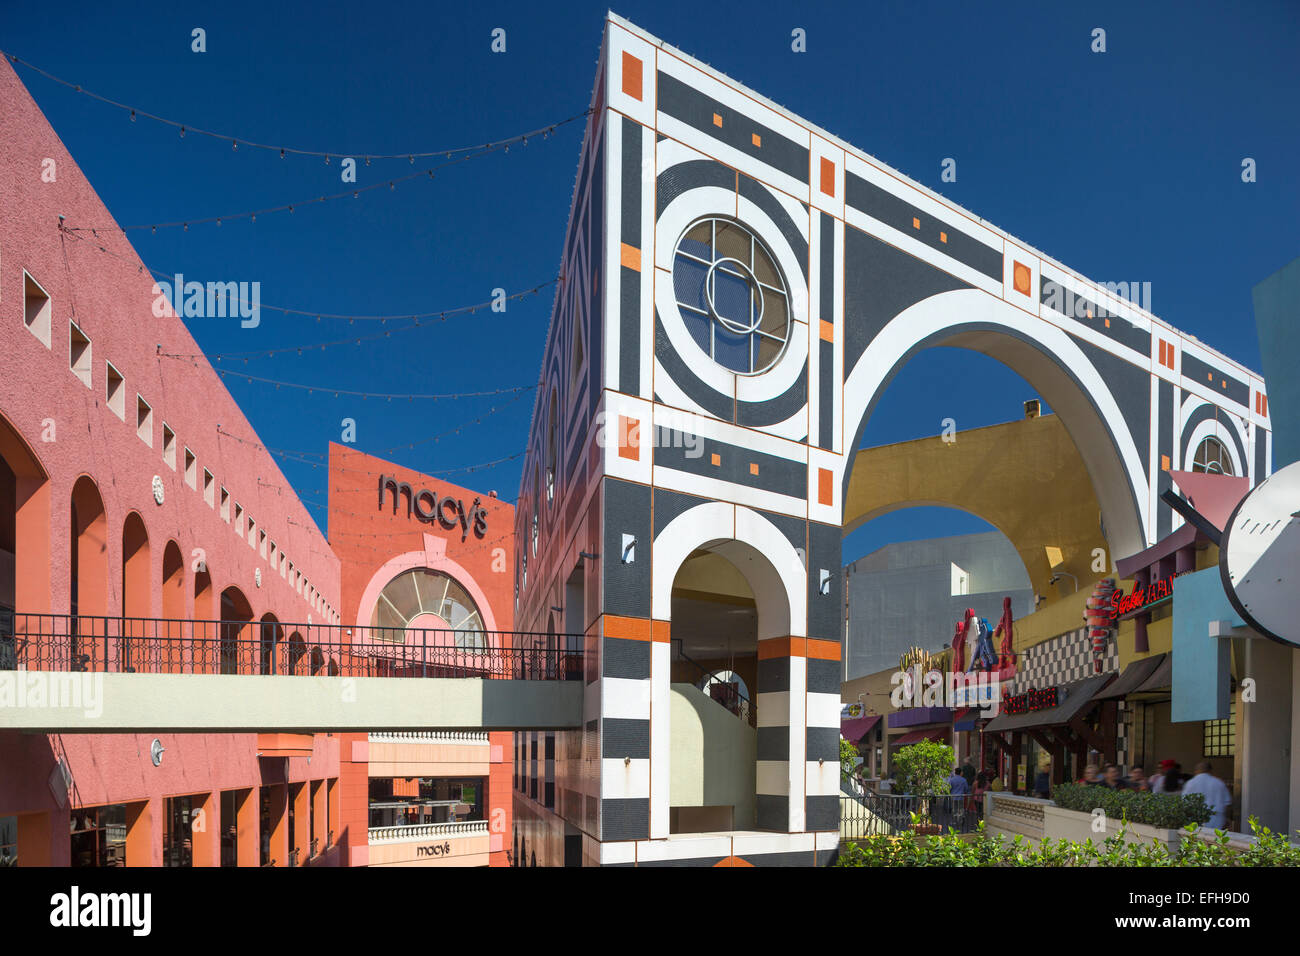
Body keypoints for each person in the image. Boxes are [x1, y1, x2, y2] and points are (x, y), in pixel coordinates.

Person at [1182, 761, 1232, 830]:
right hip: (1217, 820)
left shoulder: (1190, 783)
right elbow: (1227, 804)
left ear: (1196, 771)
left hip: (1195, 820)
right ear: (1210, 771)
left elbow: (1184, 802)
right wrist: (1227, 819)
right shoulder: (1219, 783)